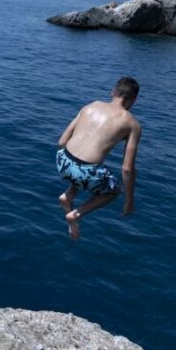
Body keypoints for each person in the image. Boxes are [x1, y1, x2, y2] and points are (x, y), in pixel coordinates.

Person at [56, 77, 142, 240]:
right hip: (85, 172)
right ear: (133, 100)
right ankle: (75, 215)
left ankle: (68, 195)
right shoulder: (132, 124)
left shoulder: (90, 106)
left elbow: (61, 142)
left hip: (62, 161)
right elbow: (127, 169)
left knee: (87, 166)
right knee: (113, 190)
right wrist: (129, 201)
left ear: (113, 92)